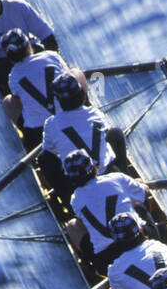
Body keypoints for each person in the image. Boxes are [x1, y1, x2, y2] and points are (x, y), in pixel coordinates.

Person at [40, 71, 128, 201]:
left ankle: (66, 199)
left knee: (44, 158)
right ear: (82, 94)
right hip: (108, 173)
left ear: (58, 101)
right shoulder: (96, 114)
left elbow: (50, 152)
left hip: (78, 181)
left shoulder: (51, 124)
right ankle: (125, 178)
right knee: (115, 133)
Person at [63, 150, 151, 274]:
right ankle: (154, 234)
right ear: (93, 166)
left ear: (70, 178)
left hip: (107, 260)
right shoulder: (117, 178)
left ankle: (90, 269)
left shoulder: (75, 200)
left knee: (72, 225)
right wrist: (142, 185)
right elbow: (144, 194)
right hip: (137, 239)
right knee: (137, 203)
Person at [1, 29, 73, 149]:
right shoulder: (52, 56)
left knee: (8, 101)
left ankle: (26, 137)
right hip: (69, 118)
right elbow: (70, 81)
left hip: (38, 133)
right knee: (75, 73)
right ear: (29, 45)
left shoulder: (13, 77)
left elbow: (18, 102)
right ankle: (85, 107)